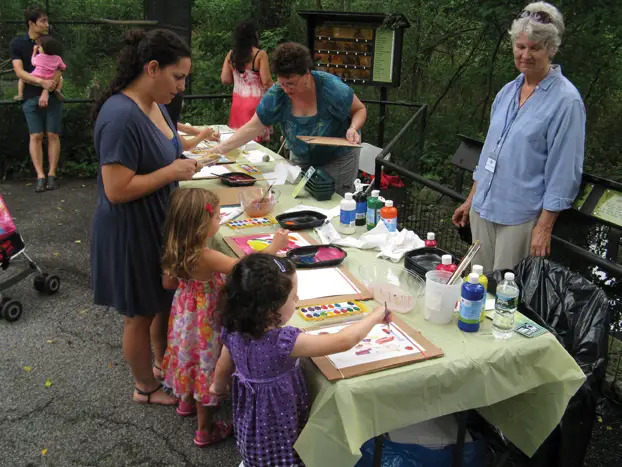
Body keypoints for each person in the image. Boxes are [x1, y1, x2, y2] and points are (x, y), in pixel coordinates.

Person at [91, 28, 202, 406]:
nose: (182, 86)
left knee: (157, 301)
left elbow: (170, 147)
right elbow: (116, 189)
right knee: (138, 314)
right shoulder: (120, 116)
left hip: (156, 223)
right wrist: (173, 172)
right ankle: (145, 387)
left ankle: (159, 363)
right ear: (152, 68)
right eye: (178, 76)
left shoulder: (154, 105)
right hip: (129, 230)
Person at [210, 254, 388, 466]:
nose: (298, 300)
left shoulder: (233, 330)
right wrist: (376, 316)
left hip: (250, 418)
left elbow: (223, 365)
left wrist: (217, 387)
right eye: (293, 297)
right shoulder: (283, 342)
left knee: (256, 449)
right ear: (269, 310)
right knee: (284, 454)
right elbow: (343, 341)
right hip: (280, 422)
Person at [451, 2, 584, 273]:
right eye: (520, 46)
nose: (525, 54)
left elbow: (564, 172)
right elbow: (490, 152)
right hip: (483, 210)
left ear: (551, 49)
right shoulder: (507, 92)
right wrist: (471, 198)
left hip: (519, 218)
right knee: (477, 286)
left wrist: (544, 227)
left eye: (535, 47)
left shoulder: (566, 102)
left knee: (505, 297)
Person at [160, 188, 290, 446]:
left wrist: (192, 287)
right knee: (206, 370)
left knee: (190, 360)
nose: (221, 220)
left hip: (185, 319)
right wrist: (274, 247)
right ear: (200, 225)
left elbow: (168, 284)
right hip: (205, 322)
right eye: (217, 217)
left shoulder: (175, 248)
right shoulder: (206, 255)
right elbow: (245, 269)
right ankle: (205, 429)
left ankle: (185, 402)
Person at [212, 42, 367, 196]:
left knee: (334, 200)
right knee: (298, 197)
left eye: (291, 84)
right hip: (301, 155)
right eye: (282, 83)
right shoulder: (277, 93)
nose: (286, 89)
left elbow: (359, 109)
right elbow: (254, 126)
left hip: (337, 157)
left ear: (306, 75)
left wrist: (353, 128)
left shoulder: (332, 88)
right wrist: (220, 150)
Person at [10, 5, 63, 192]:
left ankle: (52, 175)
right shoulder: (18, 44)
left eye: (47, 21)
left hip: (52, 95)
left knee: (53, 135)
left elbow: (59, 68)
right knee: (36, 136)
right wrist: (41, 83)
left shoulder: (52, 41)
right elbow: (19, 71)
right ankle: (40, 175)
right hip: (30, 96)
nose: (47, 24)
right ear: (31, 23)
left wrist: (47, 90)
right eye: (43, 21)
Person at [220, 20, 272, 143]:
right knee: (256, 143)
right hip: (256, 104)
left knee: (238, 141)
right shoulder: (260, 54)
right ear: (254, 35)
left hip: (238, 104)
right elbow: (266, 82)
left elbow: (225, 79)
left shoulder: (231, 55)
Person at [29, 34, 67, 106]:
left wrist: (34, 51)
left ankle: (20, 94)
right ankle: (58, 90)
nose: (38, 48)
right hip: (50, 79)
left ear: (44, 48)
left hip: (38, 77)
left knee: (23, 78)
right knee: (61, 78)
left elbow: (33, 62)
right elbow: (63, 67)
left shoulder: (39, 57)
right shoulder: (57, 58)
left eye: (40, 47)